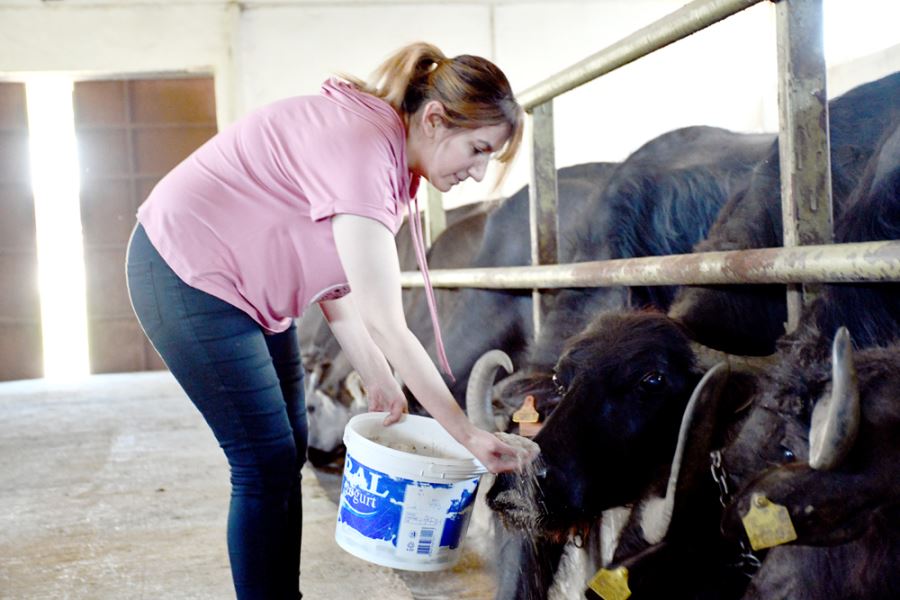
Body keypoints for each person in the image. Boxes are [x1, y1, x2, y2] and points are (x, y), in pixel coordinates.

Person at [125, 41, 529, 600]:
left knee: (286, 449)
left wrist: (379, 376)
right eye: (477, 149)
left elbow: (336, 283)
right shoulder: (366, 149)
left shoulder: (386, 155)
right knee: (262, 461)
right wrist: (465, 435)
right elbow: (389, 323)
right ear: (434, 119)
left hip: (248, 290)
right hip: (185, 270)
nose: (479, 172)